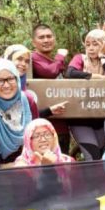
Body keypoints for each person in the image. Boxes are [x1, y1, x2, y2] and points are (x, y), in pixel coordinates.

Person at [65, 29, 105, 160]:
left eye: (95, 44)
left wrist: (103, 57)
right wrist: (96, 76)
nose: (91, 48)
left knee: (104, 156)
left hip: (103, 118)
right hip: (81, 118)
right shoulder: (80, 58)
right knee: (92, 156)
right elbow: (70, 73)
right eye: (88, 44)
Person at [31, 23, 71, 153]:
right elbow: (49, 72)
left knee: (62, 168)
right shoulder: (33, 58)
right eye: (41, 37)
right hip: (42, 128)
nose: (46, 40)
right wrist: (60, 57)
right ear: (34, 42)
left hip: (61, 126)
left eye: (49, 36)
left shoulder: (53, 61)